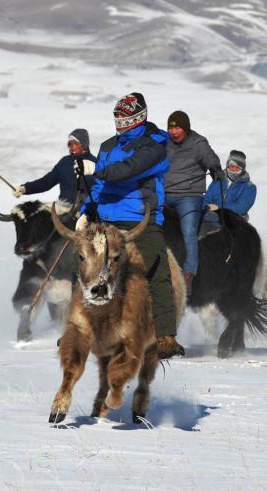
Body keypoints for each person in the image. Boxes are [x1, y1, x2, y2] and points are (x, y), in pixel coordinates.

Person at [78, 92, 183, 359]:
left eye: (124, 117)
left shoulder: (155, 146)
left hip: (140, 218)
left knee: (156, 271)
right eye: (117, 117)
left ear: (137, 117)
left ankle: (165, 336)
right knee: (84, 265)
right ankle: (80, 329)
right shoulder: (107, 146)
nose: (119, 122)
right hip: (106, 219)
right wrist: (86, 210)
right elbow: (100, 186)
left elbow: (129, 169)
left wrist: (97, 171)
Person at [164, 110, 223, 292]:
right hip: (165, 194)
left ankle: (188, 275)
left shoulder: (198, 142)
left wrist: (214, 168)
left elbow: (210, 157)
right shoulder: (163, 143)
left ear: (186, 128)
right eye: (171, 128)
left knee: (189, 231)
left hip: (189, 196)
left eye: (178, 128)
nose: (174, 132)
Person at [13, 129, 96, 205]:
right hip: (63, 211)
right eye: (69, 144)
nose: (71, 146)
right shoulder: (64, 163)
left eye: (75, 143)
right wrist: (25, 188)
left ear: (84, 144)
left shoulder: (96, 164)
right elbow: (46, 182)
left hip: (88, 214)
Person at [201, 150, 257, 232]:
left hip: (236, 219)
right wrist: (206, 206)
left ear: (243, 170)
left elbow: (241, 207)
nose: (233, 170)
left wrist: (218, 207)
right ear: (227, 166)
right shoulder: (218, 180)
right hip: (213, 216)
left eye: (237, 168)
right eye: (231, 167)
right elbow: (207, 198)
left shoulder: (249, 187)